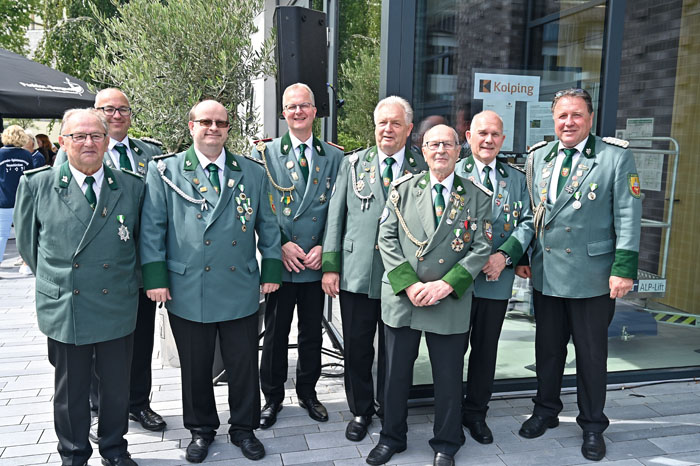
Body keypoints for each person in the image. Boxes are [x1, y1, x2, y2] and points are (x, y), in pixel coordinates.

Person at [140, 100, 282, 463]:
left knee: (243, 364)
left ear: (228, 129)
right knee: (196, 367)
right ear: (191, 127)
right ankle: (201, 430)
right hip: (188, 287)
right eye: (206, 122)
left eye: (221, 122)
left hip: (239, 286)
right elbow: (153, 228)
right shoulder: (167, 171)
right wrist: (155, 277)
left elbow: (268, 225)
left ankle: (243, 428)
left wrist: (271, 271)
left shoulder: (250, 171)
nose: (213, 128)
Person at [512, 88, 642, 461]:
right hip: (548, 273)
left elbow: (629, 218)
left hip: (593, 276)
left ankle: (592, 425)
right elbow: (530, 211)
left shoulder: (613, 158)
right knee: (548, 351)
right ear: (553, 119)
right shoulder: (539, 158)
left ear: (590, 118)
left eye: (576, 115)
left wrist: (623, 269)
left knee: (590, 355)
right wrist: (523, 254)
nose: (568, 122)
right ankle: (545, 411)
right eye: (562, 116)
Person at [14, 108, 145, 466]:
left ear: (106, 141)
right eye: (78, 136)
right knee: (71, 392)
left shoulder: (131, 186)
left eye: (96, 136)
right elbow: (28, 245)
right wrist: (62, 281)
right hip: (66, 306)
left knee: (116, 388)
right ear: (62, 141)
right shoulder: (37, 184)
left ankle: (115, 450)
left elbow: (140, 242)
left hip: (116, 302)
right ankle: (73, 454)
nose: (88, 142)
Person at [369, 124, 492, 466]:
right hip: (405, 297)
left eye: (447, 144)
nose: (440, 150)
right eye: (433, 144)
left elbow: (481, 247)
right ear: (422, 151)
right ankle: (392, 437)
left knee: (449, 377)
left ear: (458, 150)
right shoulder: (402, 189)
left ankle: (447, 442)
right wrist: (410, 284)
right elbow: (387, 240)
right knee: (394, 376)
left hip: (448, 298)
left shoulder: (477, 195)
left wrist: (447, 284)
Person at [55, 88, 166, 437]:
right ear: (96, 112)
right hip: (93, 274)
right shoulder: (77, 152)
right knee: (93, 346)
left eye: (123, 109)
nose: (116, 115)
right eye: (108, 109)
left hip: (138, 269)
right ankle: (97, 408)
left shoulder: (151, 153)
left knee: (141, 340)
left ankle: (138, 403)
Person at [321, 95, 427, 441]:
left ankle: (389, 406)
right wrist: (331, 266)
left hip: (401, 276)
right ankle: (361, 409)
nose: (387, 129)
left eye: (396, 123)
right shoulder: (353, 164)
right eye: (382, 122)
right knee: (357, 347)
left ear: (409, 129)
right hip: (358, 272)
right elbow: (335, 217)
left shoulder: (421, 166)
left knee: (397, 351)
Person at [254, 83, 343, 429]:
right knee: (276, 332)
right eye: (291, 107)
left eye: (304, 106)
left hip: (314, 262)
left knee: (311, 332)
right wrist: (278, 246)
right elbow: (259, 209)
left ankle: (308, 392)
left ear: (315, 111)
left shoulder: (335, 157)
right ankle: (272, 397)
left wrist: (324, 247)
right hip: (283, 260)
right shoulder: (267, 154)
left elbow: (339, 210)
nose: (298, 112)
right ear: (283, 113)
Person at [455, 110, 534, 444]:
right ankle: (448, 410)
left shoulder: (515, 179)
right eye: (481, 133)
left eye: (495, 135)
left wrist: (505, 256)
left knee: (485, 351)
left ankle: (475, 414)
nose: (488, 140)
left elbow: (528, 220)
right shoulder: (452, 171)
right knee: (450, 350)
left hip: (495, 281)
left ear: (503, 140)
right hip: (455, 281)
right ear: (468, 136)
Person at [0, 125, 33, 263]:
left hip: (3, 201)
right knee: (25, 235)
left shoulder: (0, 154)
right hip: (22, 201)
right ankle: (26, 263)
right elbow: (31, 177)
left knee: (2, 235)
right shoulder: (26, 155)